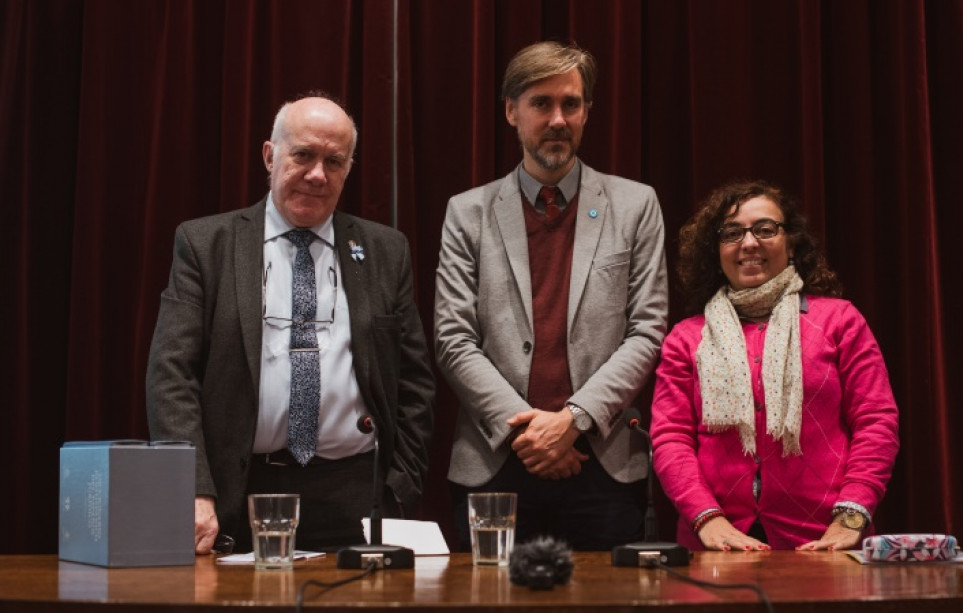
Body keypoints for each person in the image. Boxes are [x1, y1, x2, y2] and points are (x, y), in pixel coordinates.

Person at [146, 94, 434, 554]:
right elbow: (170, 377)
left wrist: (399, 487)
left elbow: (415, 380)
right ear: (269, 155)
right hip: (240, 494)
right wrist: (194, 488)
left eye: (334, 161)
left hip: (356, 498)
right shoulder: (206, 245)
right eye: (303, 155)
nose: (317, 174)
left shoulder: (385, 250)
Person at [434, 41, 668, 550]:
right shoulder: (467, 212)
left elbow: (647, 331)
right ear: (511, 111)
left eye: (572, 103)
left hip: (601, 463)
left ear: (587, 111)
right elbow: (453, 338)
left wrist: (573, 420)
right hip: (495, 461)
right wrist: (530, 432)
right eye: (541, 103)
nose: (558, 119)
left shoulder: (635, 205)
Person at [651, 180, 899, 552]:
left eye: (765, 229)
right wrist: (707, 518)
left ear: (792, 242)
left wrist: (850, 518)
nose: (749, 243)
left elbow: (876, 422)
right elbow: (671, 439)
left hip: (825, 543)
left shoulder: (840, 321)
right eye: (732, 233)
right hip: (716, 546)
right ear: (715, 251)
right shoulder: (686, 338)